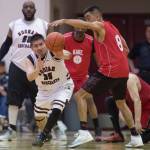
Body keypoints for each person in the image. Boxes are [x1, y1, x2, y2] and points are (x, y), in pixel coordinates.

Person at [49, 5, 143, 148]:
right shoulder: (113, 28)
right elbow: (126, 48)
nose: (87, 22)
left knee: (80, 95)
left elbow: (84, 25)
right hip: (123, 71)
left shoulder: (100, 25)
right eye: (86, 19)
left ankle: (84, 131)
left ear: (98, 17)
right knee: (121, 103)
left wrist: (63, 21)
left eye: (88, 18)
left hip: (110, 70)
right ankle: (136, 137)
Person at [0, 0, 50, 141]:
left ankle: (45, 131)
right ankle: (12, 130)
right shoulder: (14, 24)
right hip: (17, 66)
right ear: (22, 10)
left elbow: (51, 46)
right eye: (26, 7)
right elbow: (7, 44)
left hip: (37, 66)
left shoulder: (44, 25)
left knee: (39, 101)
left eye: (31, 7)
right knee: (13, 100)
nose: (28, 9)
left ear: (35, 10)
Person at [24, 33, 74, 147]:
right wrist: (38, 69)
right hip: (44, 91)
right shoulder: (29, 59)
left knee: (57, 109)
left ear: (45, 43)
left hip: (62, 86)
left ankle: (43, 135)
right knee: (39, 117)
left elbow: (69, 55)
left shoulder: (54, 51)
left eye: (41, 44)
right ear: (31, 48)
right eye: (35, 46)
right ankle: (48, 134)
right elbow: (30, 77)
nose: (39, 47)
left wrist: (61, 53)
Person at [64, 27, 101, 141]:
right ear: (74, 28)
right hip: (68, 77)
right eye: (77, 28)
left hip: (83, 77)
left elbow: (98, 60)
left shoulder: (91, 40)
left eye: (82, 28)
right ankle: (56, 127)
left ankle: (96, 128)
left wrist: (101, 73)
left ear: (85, 29)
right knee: (59, 101)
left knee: (89, 100)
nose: (80, 30)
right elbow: (55, 54)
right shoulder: (64, 38)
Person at [103, 73, 150, 144]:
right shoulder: (112, 82)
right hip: (133, 107)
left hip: (146, 105)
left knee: (141, 139)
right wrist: (129, 123)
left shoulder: (130, 79)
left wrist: (137, 122)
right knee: (110, 101)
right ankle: (118, 134)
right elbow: (120, 104)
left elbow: (137, 100)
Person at [0, 61, 8, 130]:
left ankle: (2, 118)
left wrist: (3, 89)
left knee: (5, 98)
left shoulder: (7, 76)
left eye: (2, 66)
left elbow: (9, 86)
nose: (1, 68)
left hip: (4, 95)